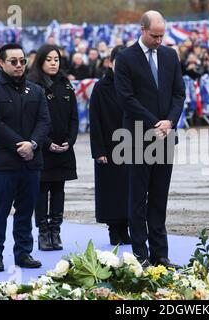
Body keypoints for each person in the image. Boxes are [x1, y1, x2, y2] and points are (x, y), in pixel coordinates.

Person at [114, 10, 185, 268]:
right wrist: (154, 122)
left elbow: (179, 94)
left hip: (165, 136)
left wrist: (170, 121)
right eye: (154, 35)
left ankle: (160, 255)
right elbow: (125, 98)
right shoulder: (125, 58)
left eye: (162, 35)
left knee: (159, 198)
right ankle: (140, 255)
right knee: (137, 200)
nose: (158, 40)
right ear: (142, 30)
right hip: (136, 138)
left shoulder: (169, 55)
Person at [0, 43, 51, 272]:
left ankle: (23, 252)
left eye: (22, 61)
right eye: (13, 61)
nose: (19, 65)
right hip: (3, 163)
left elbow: (44, 121)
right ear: (1, 63)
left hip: (31, 161)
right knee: (0, 210)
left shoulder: (36, 91)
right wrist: (19, 145)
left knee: (26, 209)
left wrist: (32, 144)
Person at [27, 44, 79, 251]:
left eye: (56, 59)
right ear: (40, 61)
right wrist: (47, 143)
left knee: (59, 189)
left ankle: (55, 231)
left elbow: (74, 117)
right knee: (42, 190)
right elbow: (31, 120)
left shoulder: (66, 85)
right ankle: (42, 232)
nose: (53, 63)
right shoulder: (32, 85)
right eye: (48, 59)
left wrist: (70, 140)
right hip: (42, 149)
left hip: (64, 148)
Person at [89, 45, 131, 246]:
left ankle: (126, 230)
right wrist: (98, 150)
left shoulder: (133, 86)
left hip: (131, 146)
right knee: (111, 192)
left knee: (129, 190)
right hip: (108, 147)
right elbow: (94, 120)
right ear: (110, 63)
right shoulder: (101, 87)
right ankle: (114, 231)